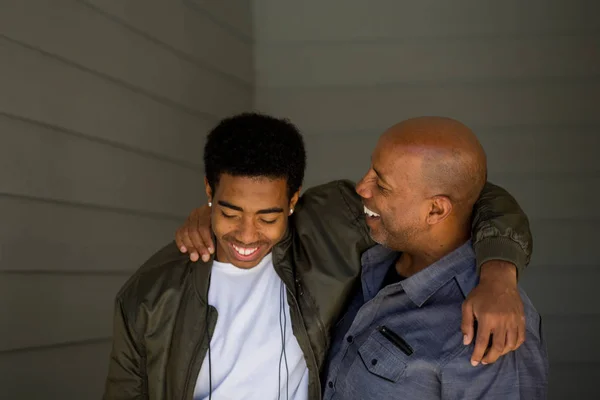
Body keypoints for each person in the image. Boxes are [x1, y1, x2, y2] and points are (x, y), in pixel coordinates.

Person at [104, 113, 532, 400]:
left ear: (293, 201)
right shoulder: (150, 294)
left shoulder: (332, 225)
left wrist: (498, 272)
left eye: (267, 215)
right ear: (208, 193)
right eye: (230, 210)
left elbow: (471, 194)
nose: (247, 233)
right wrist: (217, 219)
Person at [319, 117, 548, 399]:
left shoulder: (491, 330)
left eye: (382, 184)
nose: (362, 188)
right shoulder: (369, 254)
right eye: (370, 171)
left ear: (436, 210)